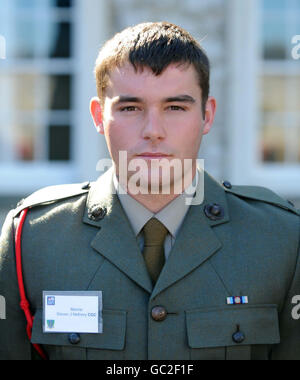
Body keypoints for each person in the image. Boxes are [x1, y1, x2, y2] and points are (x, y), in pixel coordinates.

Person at [0, 21, 300, 361]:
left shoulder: (281, 240)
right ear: (99, 116)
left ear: (206, 115)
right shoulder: (32, 239)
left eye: (175, 107)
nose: (153, 131)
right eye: (130, 108)